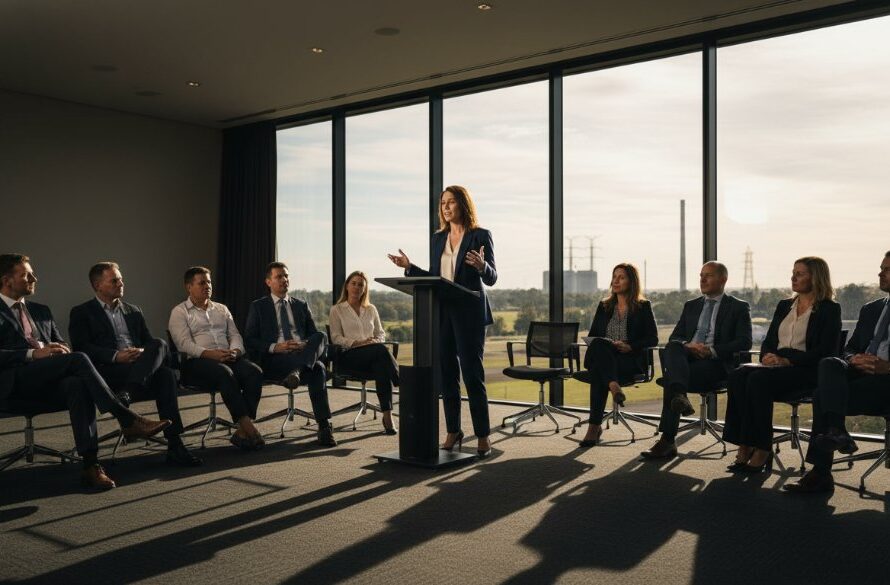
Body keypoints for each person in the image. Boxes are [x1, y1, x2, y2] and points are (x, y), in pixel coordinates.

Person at [0, 253, 171, 490]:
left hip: (49, 375)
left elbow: (63, 343)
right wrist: (32, 353)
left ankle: (91, 466)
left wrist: (58, 349)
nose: (34, 278)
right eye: (26, 275)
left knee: (77, 384)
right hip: (15, 379)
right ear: (7, 280)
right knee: (80, 359)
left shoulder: (41, 311)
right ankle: (126, 418)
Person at [388, 185, 497, 457]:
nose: (446, 207)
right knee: (447, 374)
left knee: (473, 375)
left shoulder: (480, 236)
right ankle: (453, 430)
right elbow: (437, 276)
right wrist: (410, 268)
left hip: (469, 314)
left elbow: (492, 277)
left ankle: (482, 434)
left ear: (463, 204)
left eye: (451, 202)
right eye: (443, 203)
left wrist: (482, 267)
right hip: (443, 312)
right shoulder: (438, 239)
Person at [69, 261, 202, 467]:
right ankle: (170, 440)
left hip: (137, 368)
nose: (120, 283)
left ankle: (174, 444)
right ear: (98, 285)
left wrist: (141, 352)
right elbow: (82, 348)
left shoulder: (133, 310)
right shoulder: (82, 312)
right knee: (164, 374)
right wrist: (116, 356)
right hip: (108, 371)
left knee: (160, 349)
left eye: (121, 279)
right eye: (114, 280)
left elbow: (149, 343)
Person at [722, 257, 841, 472]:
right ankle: (744, 444)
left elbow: (825, 351)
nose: (793, 278)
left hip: (806, 369)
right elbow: (769, 341)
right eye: (793, 272)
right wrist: (767, 356)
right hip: (777, 365)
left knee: (758, 379)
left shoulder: (829, 309)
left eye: (800, 274)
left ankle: (762, 448)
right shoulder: (785, 305)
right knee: (738, 375)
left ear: (815, 277)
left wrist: (788, 360)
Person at [785, 251, 890, 493]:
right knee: (830, 363)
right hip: (861, 374)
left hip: (886, 380)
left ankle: (822, 471)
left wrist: (887, 366)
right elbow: (850, 349)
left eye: (886, 269)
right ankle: (837, 431)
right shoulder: (871, 309)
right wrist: (855, 359)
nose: (879, 273)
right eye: (881, 268)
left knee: (823, 396)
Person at [641, 261, 752, 460]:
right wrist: (688, 346)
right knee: (673, 346)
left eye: (708, 275)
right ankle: (679, 396)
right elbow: (675, 337)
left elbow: (744, 342)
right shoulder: (691, 305)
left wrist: (711, 351)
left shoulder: (738, 307)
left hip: (715, 364)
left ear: (723, 279)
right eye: (701, 275)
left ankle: (667, 440)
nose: (702, 279)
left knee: (672, 380)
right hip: (687, 358)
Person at [168, 266, 265, 451]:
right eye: (202, 282)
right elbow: (183, 344)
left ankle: (242, 430)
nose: (207, 286)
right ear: (189, 287)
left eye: (209, 282)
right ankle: (247, 427)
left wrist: (235, 351)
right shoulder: (180, 312)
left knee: (254, 372)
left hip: (227, 357)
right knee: (225, 373)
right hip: (197, 362)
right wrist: (210, 354)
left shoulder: (221, 309)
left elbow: (235, 335)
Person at [244, 262, 336, 447]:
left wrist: (303, 345)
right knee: (317, 368)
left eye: (286, 276)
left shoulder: (301, 305)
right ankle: (325, 426)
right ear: (268, 282)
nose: (284, 280)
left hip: (301, 354)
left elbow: (313, 335)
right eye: (279, 277)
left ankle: (298, 372)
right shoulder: (259, 306)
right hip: (275, 359)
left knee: (322, 335)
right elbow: (250, 339)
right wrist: (275, 347)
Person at [578, 263, 658, 447]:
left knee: (599, 372)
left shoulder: (643, 307)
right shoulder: (604, 306)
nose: (616, 281)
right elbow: (593, 336)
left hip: (628, 359)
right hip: (604, 354)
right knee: (600, 343)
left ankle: (593, 428)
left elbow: (652, 339)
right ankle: (614, 385)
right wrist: (608, 344)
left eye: (621, 277)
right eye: (614, 276)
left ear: (632, 281)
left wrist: (630, 346)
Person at [328, 270, 399, 434]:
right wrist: (359, 342)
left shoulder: (371, 309)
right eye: (353, 283)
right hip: (349, 356)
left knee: (381, 364)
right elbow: (336, 337)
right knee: (381, 352)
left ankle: (387, 415)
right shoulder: (337, 309)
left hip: (372, 355)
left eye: (360, 284)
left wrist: (374, 341)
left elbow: (380, 334)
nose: (356, 287)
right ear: (347, 286)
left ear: (365, 289)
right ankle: (399, 381)